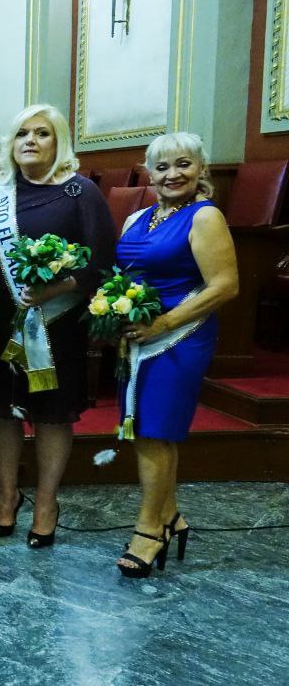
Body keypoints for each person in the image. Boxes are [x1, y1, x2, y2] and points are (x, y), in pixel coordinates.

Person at [0, 104, 115, 548]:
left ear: (59, 142)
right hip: (3, 321)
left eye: (42, 133)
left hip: (56, 324)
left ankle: (45, 504)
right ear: (10, 143)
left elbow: (100, 261)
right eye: (22, 134)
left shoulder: (80, 192)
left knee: (52, 414)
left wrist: (53, 292)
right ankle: (6, 498)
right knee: (3, 412)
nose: (30, 141)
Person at [113, 132, 237, 577]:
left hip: (181, 335)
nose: (172, 175)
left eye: (183, 164)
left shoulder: (205, 217)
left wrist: (163, 323)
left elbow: (225, 285)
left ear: (202, 168)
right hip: (137, 337)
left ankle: (148, 530)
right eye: (162, 167)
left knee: (154, 429)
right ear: (149, 174)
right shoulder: (136, 220)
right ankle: (170, 516)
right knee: (152, 431)